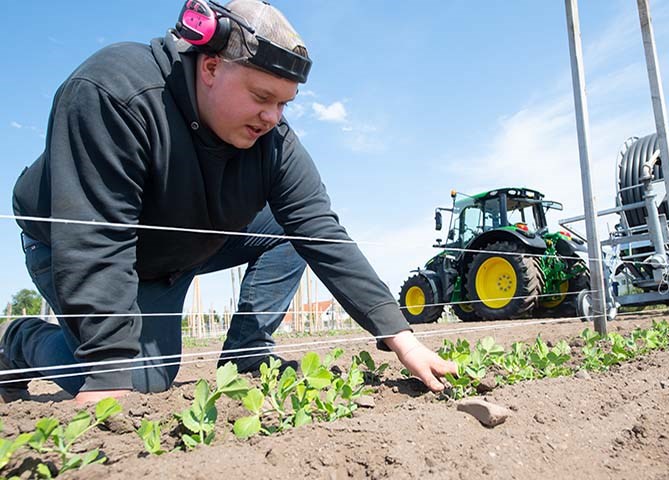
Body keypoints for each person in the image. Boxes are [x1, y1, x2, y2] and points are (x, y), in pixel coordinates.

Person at [0, 0, 456, 404]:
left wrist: (401, 337)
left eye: (285, 104)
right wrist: (108, 365)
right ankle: (21, 341)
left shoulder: (273, 141)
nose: (272, 117)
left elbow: (320, 230)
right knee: (134, 383)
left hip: (178, 249)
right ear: (211, 67)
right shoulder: (117, 92)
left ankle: (246, 354)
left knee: (284, 229)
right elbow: (95, 233)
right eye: (262, 97)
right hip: (79, 245)